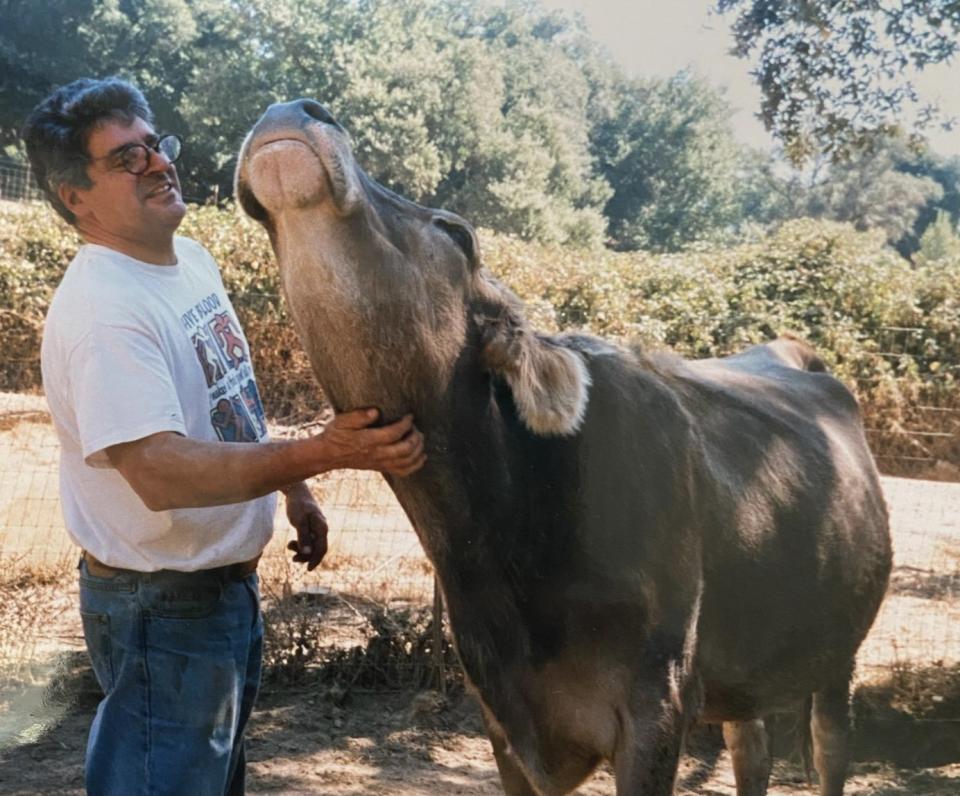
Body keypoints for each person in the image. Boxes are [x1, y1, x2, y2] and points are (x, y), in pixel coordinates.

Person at [21, 77, 426, 796]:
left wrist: (295, 489)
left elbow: (227, 400)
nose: (156, 163)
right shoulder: (106, 312)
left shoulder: (188, 263)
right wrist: (328, 452)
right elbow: (161, 472)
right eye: (126, 159)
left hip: (213, 599)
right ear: (73, 198)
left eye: (154, 144)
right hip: (162, 610)